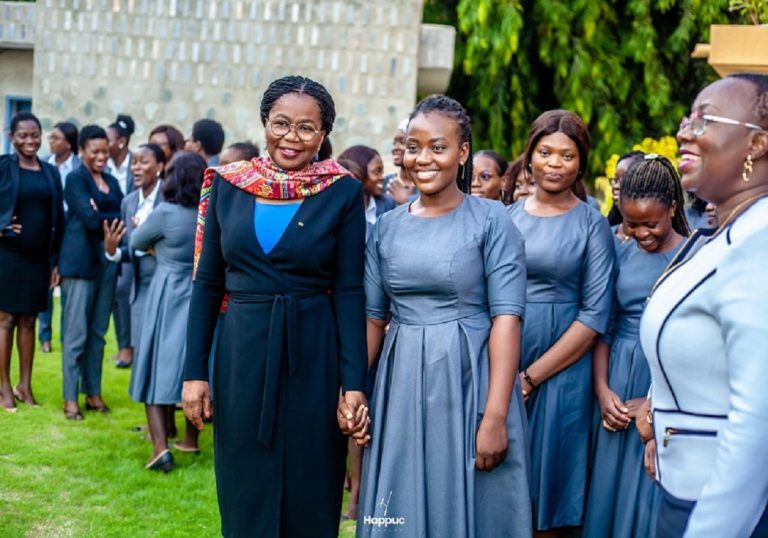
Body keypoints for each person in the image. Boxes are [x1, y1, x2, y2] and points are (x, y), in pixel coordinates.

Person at [183, 75, 369, 537]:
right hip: (242, 350)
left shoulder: (342, 191)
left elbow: (348, 291)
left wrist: (353, 384)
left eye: (307, 128)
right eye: (281, 123)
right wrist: (194, 372)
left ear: (324, 134)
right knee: (244, 478)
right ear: (265, 122)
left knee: (311, 479)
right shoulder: (228, 184)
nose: (292, 137)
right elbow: (207, 283)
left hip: (314, 352)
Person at [358, 95, 532, 537]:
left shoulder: (492, 220)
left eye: (438, 147)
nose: (423, 159)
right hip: (400, 384)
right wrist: (355, 390)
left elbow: (507, 320)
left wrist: (494, 416)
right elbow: (375, 319)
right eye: (413, 147)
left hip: (470, 380)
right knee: (398, 504)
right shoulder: (386, 227)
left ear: (463, 152)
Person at [640, 73, 768, 537]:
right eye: (687, 117)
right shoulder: (723, 235)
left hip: (725, 508)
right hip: (683, 489)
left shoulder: (759, 243)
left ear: (756, 144)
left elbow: (758, 418)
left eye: (705, 119)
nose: (684, 131)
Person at [507, 109, 615, 535]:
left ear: (581, 162)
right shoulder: (506, 217)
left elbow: (595, 314)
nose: (554, 163)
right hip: (505, 356)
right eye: (546, 152)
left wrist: (532, 377)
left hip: (564, 368)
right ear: (530, 156)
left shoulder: (592, 224)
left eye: (566, 155)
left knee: (551, 489)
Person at [583, 155, 689, 537]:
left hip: (669, 380)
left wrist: (657, 401)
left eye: (652, 224)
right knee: (610, 493)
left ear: (673, 207)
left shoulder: (693, 255)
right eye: (632, 223)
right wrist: (602, 389)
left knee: (649, 490)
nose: (641, 233)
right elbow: (604, 327)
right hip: (618, 379)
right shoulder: (620, 252)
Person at [120, 151, 205, 472]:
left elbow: (136, 243)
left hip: (167, 293)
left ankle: (159, 449)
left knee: (155, 369)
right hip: (198, 294)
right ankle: (191, 440)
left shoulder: (166, 213)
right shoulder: (207, 215)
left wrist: (155, 245)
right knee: (193, 367)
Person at [0, 112, 65, 411]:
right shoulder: (3, 167)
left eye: (35, 134)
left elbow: (59, 219)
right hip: (8, 256)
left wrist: (56, 261)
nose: (30, 140)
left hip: (39, 259)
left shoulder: (51, 172)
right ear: (12, 137)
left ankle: (24, 386)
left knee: (29, 320)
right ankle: (3, 389)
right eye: (23, 135)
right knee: (6, 320)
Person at [59, 125, 123, 420]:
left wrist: (103, 215)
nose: (101, 156)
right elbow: (87, 217)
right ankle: (70, 398)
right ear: (82, 150)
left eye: (105, 151)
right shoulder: (75, 179)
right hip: (79, 264)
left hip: (107, 262)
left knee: (98, 333)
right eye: (94, 151)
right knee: (76, 334)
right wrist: (103, 216)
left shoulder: (111, 180)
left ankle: (93, 392)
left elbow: (121, 215)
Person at [104, 144, 167, 369]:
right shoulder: (129, 202)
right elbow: (130, 250)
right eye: (134, 163)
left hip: (167, 277)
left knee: (166, 341)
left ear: (160, 166)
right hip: (138, 280)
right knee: (141, 340)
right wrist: (112, 251)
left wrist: (150, 242)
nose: (136, 168)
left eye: (144, 162)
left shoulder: (169, 197)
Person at [38, 121, 81, 353]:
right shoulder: (43, 163)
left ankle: (66, 336)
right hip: (47, 230)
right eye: (50, 137)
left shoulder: (79, 166)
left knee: (67, 285)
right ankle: (44, 336)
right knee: (46, 283)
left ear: (69, 143)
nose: (50, 142)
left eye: (56, 138)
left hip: (71, 231)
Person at [107, 114, 136, 368]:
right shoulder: (103, 167)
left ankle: (129, 348)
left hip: (135, 236)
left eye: (108, 139)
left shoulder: (137, 164)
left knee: (124, 290)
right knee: (116, 294)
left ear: (121, 142)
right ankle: (123, 345)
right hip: (112, 237)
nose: (103, 145)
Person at [337, 145, 396, 235]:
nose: (382, 177)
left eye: (382, 171)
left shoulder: (388, 204)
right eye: (376, 172)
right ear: (359, 173)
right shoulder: (340, 208)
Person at [608, 151, 646, 240]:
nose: (616, 186)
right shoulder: (604, 233)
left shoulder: (653, 237)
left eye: (625, 179)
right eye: (616, 179)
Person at [384, 119, 418, 205]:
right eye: (394, 143)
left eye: (402, 142)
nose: (395, 148)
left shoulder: (428, 185)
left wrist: (407, 201)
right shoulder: (385, 182)